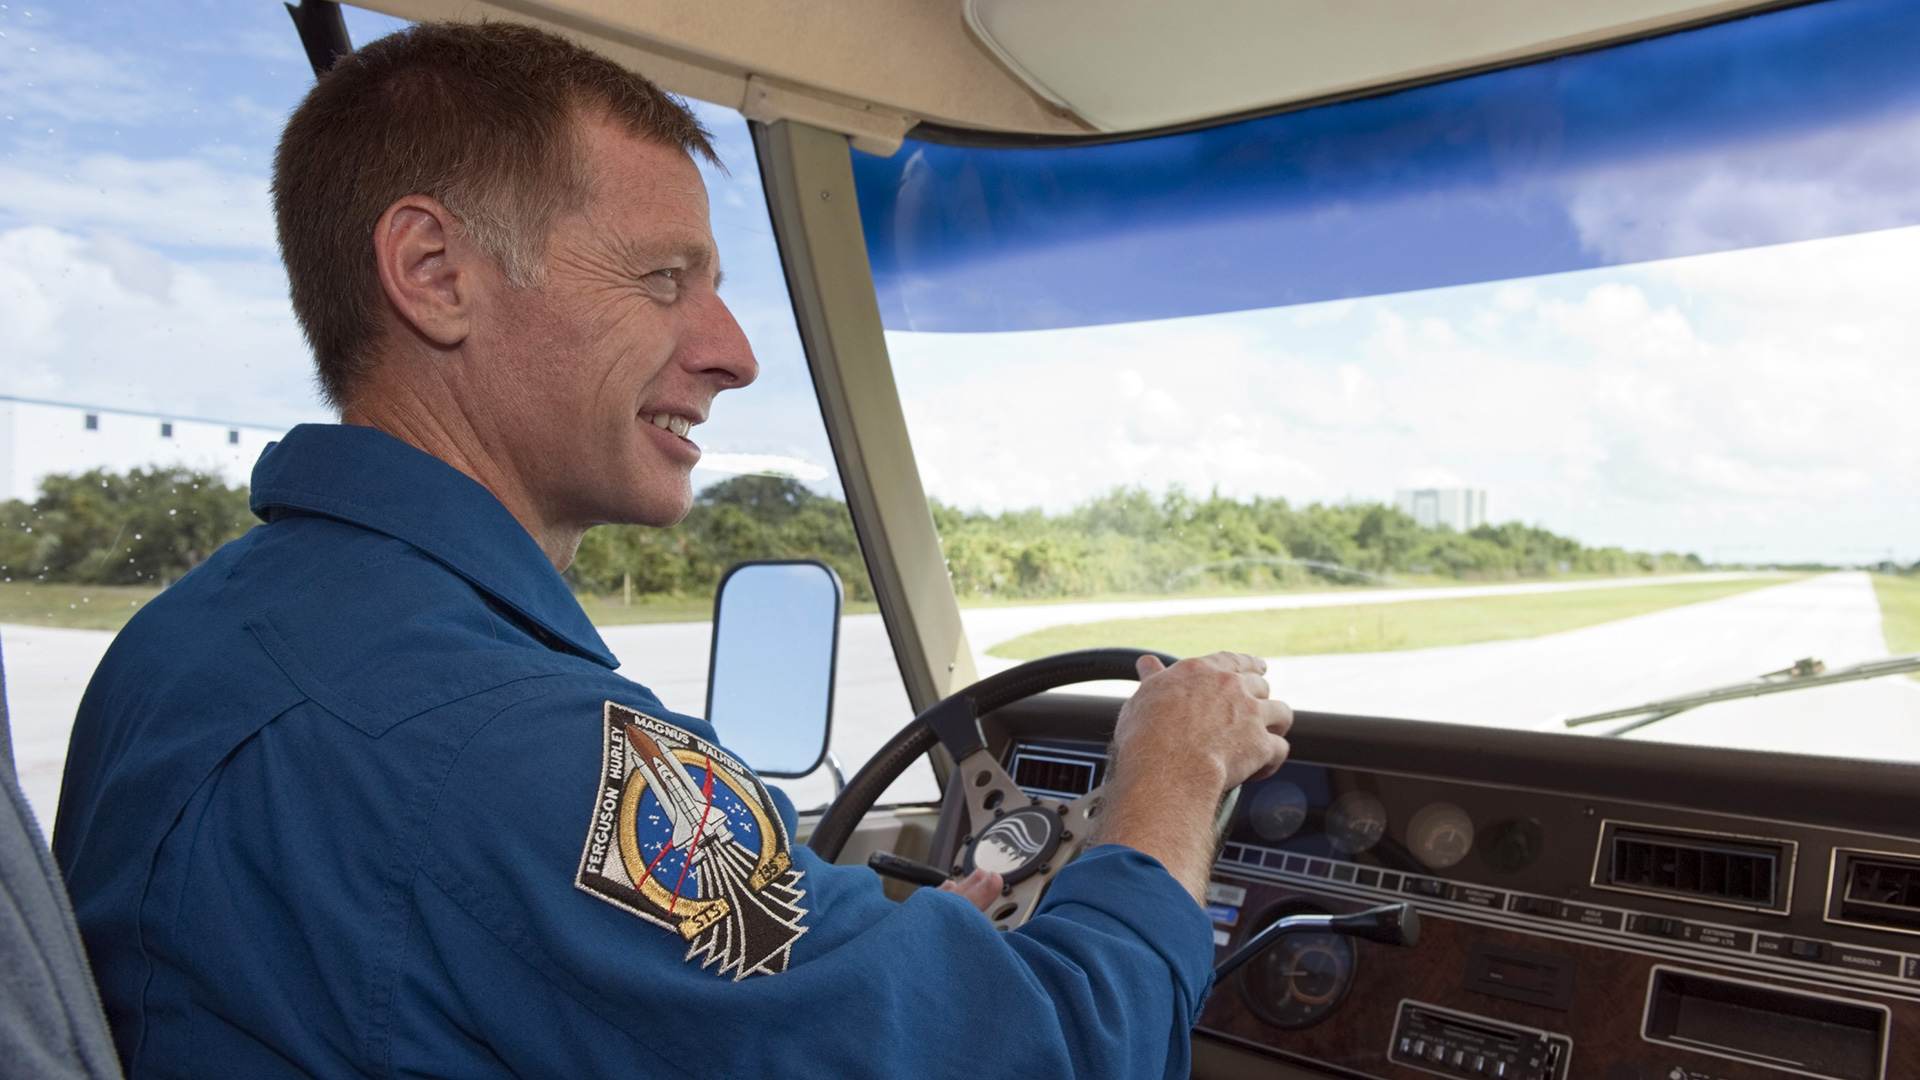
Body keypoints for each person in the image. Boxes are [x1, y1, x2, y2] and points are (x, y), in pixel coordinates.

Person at [52, 21, 1292, 1080]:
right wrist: (1171, 780)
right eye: (662, 278)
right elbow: (1058, 1050)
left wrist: (848, 961)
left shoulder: (191, 636)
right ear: (434, 274)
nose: (734, 352)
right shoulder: (509, 742)